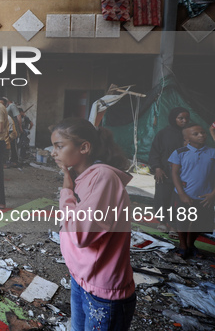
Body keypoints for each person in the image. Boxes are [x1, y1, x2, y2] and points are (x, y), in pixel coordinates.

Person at [50, 117, 136, 330]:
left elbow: (80, 235)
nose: (53, 153)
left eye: (59, 146)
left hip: (103, 291)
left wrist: (66, 191)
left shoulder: (103, 178)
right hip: (81, 279)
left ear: (84, 147)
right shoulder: (86, 177)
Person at [169, 123, 215, 260]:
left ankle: (191, 245)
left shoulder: (212, 152)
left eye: (203, 133)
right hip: (185, 195)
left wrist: (213, 194)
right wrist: (182, 194)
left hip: (205, 196)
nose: (201, 135)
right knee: (182, 220)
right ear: (186, 138)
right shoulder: (179, 152)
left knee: (200, 222)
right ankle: (182, 245)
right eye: (196, 134)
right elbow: (175, 174)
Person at [148, 107, 190, 232]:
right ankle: (162, 221)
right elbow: (154, 152)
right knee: (162, 197)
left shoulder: (190, 134)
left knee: (177, 200)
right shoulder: (163, 133)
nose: (184, 121)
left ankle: (174, 224)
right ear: (173, 118)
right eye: (180, 118)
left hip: (183, 174)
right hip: (165, 173)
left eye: (186, 118)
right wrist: (157, 168)